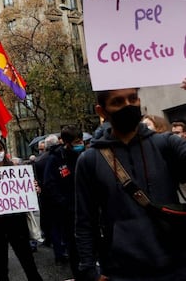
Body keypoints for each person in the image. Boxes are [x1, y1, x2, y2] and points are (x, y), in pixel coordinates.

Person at [75, 87, 186, 280]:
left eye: (132, 99)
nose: (128, 105)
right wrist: (89, 270)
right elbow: (85, 220)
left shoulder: (166, 144)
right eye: (118, 102)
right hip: (122, 270)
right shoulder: (89, 160)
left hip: (176, 265)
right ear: (102, 111)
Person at [0, 138, 43, 281]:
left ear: (4, 150)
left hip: (17, 221)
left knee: (27, 260)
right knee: (1, 264)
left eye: (0, 150)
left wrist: (35, 189)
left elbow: (29, 191)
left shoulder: (16, 169)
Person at [43, 125, 83, 279]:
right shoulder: (55, 159)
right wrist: (64, 203)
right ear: (67, 143)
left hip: (86, 208)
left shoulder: (84, 155)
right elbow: (50, 184)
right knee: (73, 247)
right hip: (68, 212)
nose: (80, 145)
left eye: (81, 141)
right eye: (77, 142)